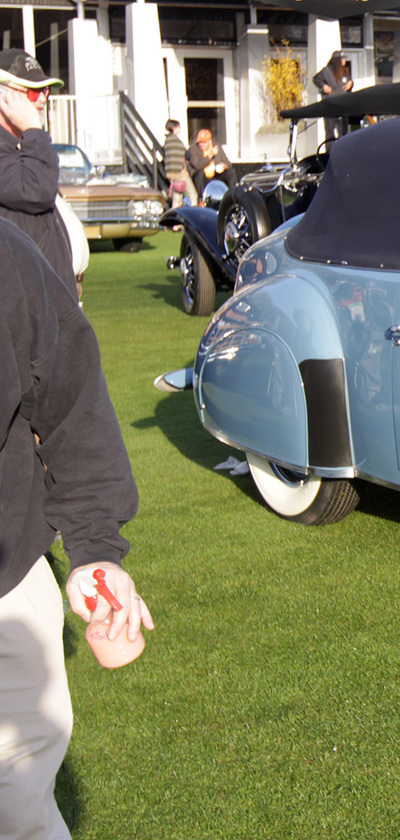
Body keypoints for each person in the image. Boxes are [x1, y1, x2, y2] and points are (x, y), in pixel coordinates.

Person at [0, 216, 154, 839]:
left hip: (7, 584)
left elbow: (72, 400)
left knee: (18, 800)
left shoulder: (7, 256)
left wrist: (94, 545)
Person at [0, 49, 74, 289]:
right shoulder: (25, 145)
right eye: (33, 92)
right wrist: (34, 129)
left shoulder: (23, 149)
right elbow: (36, 191)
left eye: (46, 91)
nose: (43, 98)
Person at [313, 51, 353, 140]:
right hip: (330, 106)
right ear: (337, 60)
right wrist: (324, 86)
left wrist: (351, 83)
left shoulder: (345, 71)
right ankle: (329, 151)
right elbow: (316, 79)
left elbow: (349, 81)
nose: (344, 61)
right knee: (330, 132)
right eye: (342, 59)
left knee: (344, 131)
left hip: (343, 106)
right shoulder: (327, 71)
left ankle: (342, 150)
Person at [191, 129, 235, 195]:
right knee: (200, 173)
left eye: (204, 142)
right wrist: (210, 155)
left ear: (210, 141)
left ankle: (233, 195)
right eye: (200, 142)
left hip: (216, 175)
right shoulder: (193, 149)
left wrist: (224, 166)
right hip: (202, 178)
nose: (201, 144)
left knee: (231, 172)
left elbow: (228, 164)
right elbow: (197, 165)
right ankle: (200, 200)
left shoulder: (217, 148)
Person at [162, 118, 192, 207]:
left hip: (171, 173)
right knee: (193, 195)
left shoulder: (167, 140)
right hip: (180, 172)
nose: (180, 129)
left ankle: (174, 214)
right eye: (178, 127)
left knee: (177, 197)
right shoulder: (176, 141)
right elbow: (187, 154)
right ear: (174, 127)